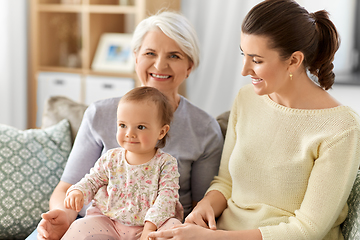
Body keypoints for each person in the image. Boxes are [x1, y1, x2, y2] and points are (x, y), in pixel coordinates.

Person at [148, 0, 360, 239]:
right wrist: (206, 205)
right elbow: (226, 181)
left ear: (294, 60)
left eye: (257, 60)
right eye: (243, 54)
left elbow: (307, 230)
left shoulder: (341, 128)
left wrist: (210, 238)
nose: (244, 69)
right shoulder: (247, 98)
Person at [33, 11, 224, 240]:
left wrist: (156, 227)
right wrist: (64, 215)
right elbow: (70, 186)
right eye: (150, 53)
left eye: (174, 56)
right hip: (98, 225)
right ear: (135, 58)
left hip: (159, 228)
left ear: (189, 66)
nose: (160, 64)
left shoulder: (204, 129)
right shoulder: (99, 114)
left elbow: (200, 205)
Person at [61, 86, 183, 240]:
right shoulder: (111, 158)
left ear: (161, 132)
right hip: (109, 221)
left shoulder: (166, 164)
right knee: (79, 228)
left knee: (173, 229)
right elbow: (92, 180)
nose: (129, 133)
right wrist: (77, 191)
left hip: (151, 224)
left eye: (141, 127)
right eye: (123, 125)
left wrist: (149, 228)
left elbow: (167, 198)